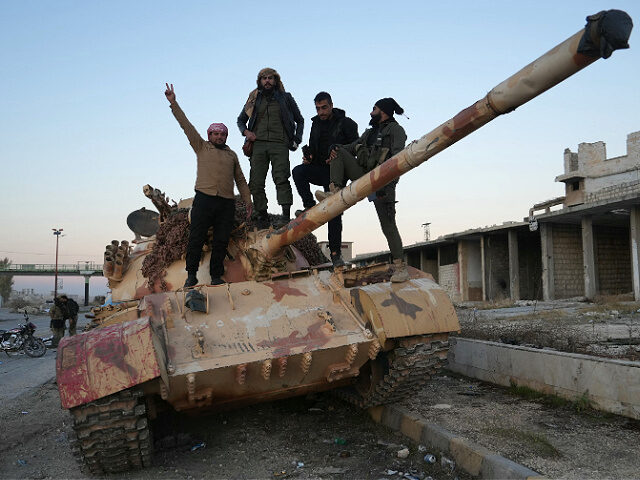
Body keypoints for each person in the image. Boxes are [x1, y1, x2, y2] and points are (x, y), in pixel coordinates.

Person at [164, 83, 253, 288]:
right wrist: (173, 103)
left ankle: (216, 276)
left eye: (222, 134)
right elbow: (186, 126)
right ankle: (191, 275)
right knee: (196, 238)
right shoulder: (201, 146)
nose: (219, 137)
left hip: (226, 203)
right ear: (209, 135)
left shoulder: (232, 155)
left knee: (221, 241)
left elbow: (240, 180)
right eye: (215, 134)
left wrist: (248, 201)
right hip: (204, 199)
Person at [316, 98, 409, 282]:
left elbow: (399, 159)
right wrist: (334, 150)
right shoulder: (370, 132)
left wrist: (388, 182)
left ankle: (400, 268)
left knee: (388, 226)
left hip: (382, 180)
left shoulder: (396, 131)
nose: (371, 112)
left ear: (383, 111)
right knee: (337, 149)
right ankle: (334, 191)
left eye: (374, 109)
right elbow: (350, 147)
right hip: (363, 176)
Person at [293, 92, 358, 267]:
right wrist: (309, 157)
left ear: (331, 105)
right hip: (320, 169)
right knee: (298, 172)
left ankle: (335, 255)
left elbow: (357, 148)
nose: (321, 112)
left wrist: (338, 151)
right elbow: (313, 146)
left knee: (333, 212)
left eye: (324, 108)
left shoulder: (347, 123)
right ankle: (309, 205)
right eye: (318, 108)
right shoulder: (315, 125)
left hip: (337, 173)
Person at [237, 68, 304, 228]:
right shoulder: (254, 99)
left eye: (270, 78)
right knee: (256, 182)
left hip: (279, 143)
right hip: (258, 144)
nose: (267, 81)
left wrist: (296, 139)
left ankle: (286, 215)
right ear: (260, 81)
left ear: (276, 80)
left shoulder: (286, 98)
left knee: (281, 178)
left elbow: (300, 120)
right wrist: (246, 132)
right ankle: (262, 214)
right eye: (264, 78)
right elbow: (240, 120)